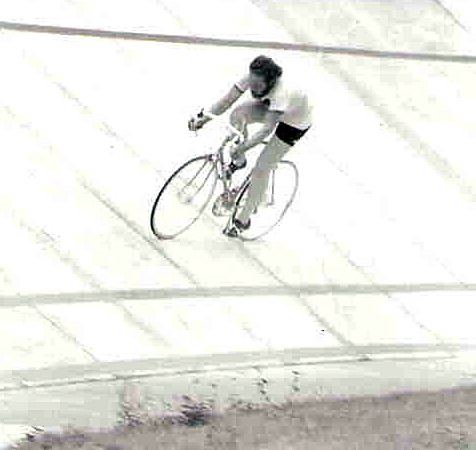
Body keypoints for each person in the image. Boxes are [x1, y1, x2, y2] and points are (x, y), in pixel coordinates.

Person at [188, 55, 313, 237]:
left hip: (294, 122)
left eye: (258, 87)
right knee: (237, 115)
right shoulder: (254, 77)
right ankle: (239, 162)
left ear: (269, 83)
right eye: (251, 84)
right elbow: (226, 101)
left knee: (262, 168)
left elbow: (266, 130)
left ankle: (243, 220)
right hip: (272, 107)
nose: (253, 89)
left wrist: (242, 146)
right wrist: (203, 118)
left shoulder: (281, 93)